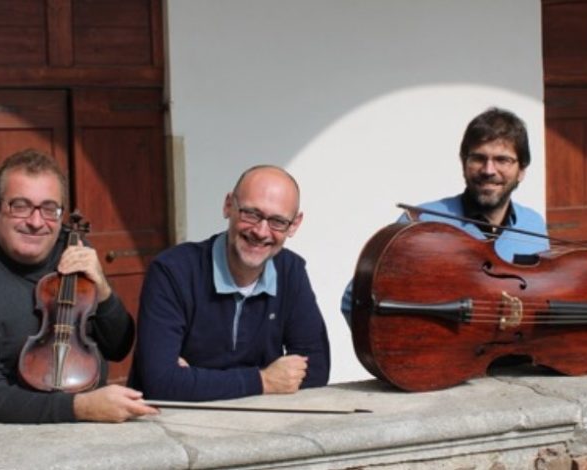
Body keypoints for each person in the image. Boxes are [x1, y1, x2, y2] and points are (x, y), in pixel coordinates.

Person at [0, 149, 159, 423]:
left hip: (94, 431)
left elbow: (118, 346)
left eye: (49, 209)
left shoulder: (73, 248)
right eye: (20, 206)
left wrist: (103, 292)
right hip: (12, 441)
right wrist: (80, 407)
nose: (36, 222)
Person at [130, 165, 330, 401]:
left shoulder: (290, 271)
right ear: (228, 206)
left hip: (262, 425)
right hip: (174, 425)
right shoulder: (173, 272)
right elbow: (161, 383)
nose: (261, 231)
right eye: (251, 214)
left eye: (277, 221)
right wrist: (264, 380)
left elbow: (316, 370)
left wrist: (193, 378)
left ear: (294, 225)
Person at [341, 107, 549, 324]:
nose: (489, 170)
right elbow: (354, 301)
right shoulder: (422, 222)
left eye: (502, 160)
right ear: (464, 163)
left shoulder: (533, 224)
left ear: (522, 170)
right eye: (478, 158)